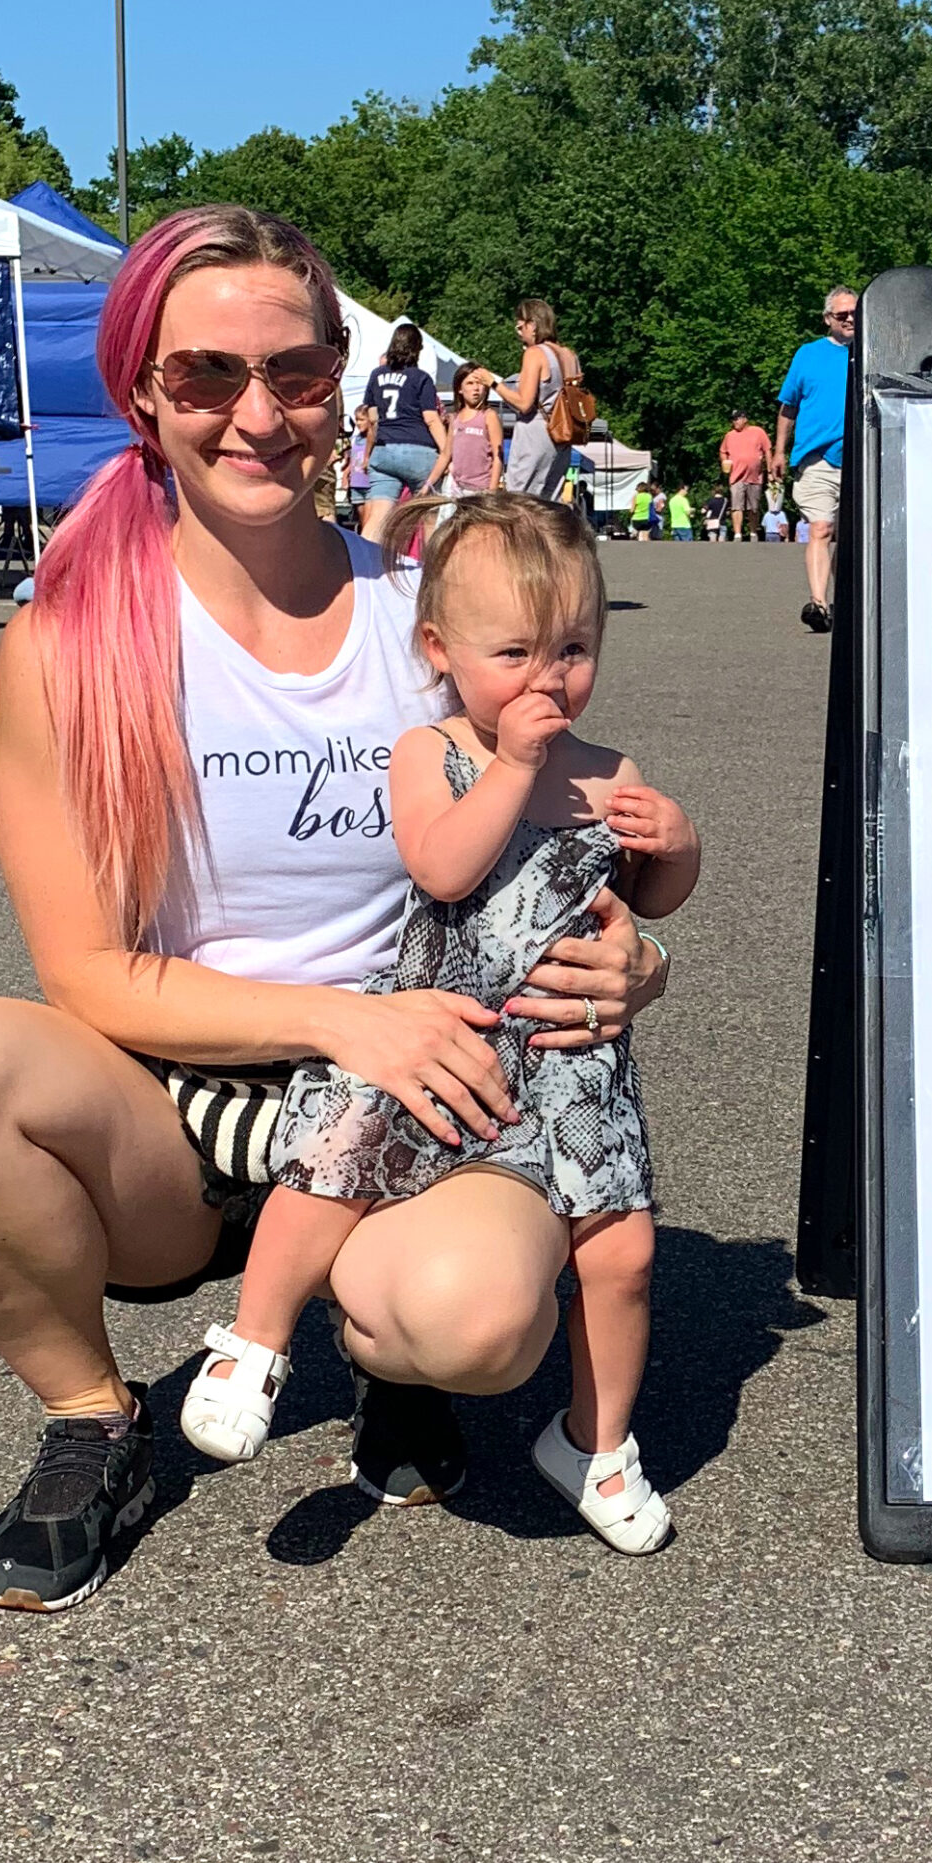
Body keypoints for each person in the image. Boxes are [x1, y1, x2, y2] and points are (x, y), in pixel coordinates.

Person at [0, 206, 672, 1612]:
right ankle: (91, 1420)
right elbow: (87, 973)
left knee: (478, 1321)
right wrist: (343, 1026)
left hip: (436, 1096)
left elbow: (573, 828)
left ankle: (385, 1349)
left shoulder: (429, 616)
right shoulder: (66, 644)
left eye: (295, 375)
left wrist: (634, 956)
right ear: (142, 392)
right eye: (207, 377)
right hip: (178, 1112)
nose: (258, 416)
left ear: (342, 388)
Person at [179, 493, 700, 1552]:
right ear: (440, 649)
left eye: (574, 648)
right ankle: (255, 1343)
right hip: (438, 1028)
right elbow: (443, 864)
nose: (548, 678)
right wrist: (511, 766)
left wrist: (676, 845)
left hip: (568, 1064)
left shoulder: (611, 777)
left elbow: (649, 906)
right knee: (335, 1160)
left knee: (623, 1250)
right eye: (513, 651)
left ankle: (593, 1443)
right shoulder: (434, 753)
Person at [772, 286, 857, 633]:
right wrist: (778, 450)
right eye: (842, 315)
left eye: (855, 313)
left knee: (852, 537)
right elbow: (787, 407)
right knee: (821, 528)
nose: (850, 319)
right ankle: (819, 604)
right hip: (817, 457)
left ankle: (852, 601)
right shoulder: (807, 355)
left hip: (861, 457)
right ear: (828, 319)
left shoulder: (874, 351)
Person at [356, 321, 448, 541]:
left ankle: (364, 569)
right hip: (419, 450)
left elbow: (372, 419)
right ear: (417, 348)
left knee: (377, 518)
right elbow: (431, 419)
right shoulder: (421, 377)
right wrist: (447, 451)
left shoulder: (376, 375)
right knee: (429, 517)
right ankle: (431, 570)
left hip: (384, 449)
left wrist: (369, 454)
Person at [497, 299, 586, 500]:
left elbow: (524, 403)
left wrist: (495, 384)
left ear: (533, 325)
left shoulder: (535, 354)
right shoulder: (570, 356)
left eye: (521, 327)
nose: (519, 333)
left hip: (536, 433)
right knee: (550, 502)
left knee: (520, 500)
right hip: (563, 435)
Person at [444, 361, 503, 497]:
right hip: (456, 487)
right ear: (460, 388)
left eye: (480, 383)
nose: (476, 388)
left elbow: (497, 456)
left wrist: (492, 491)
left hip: (480, 489)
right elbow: (446, 455)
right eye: (470, 383)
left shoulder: (489, 416)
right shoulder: (455, 418)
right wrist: (428, 483)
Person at [717, 409, 770, 541]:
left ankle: (753, 532)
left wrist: (769, 470)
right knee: (736, 506)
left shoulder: (758, 432)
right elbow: (723, 451)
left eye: (737, 419)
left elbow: (767, 450)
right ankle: (737, 534)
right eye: (733, 419)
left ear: (744, 419)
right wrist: (724, 461)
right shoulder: (730, 435)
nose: (734, 422)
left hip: (755, 476)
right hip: (736, 476)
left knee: (754, 507)